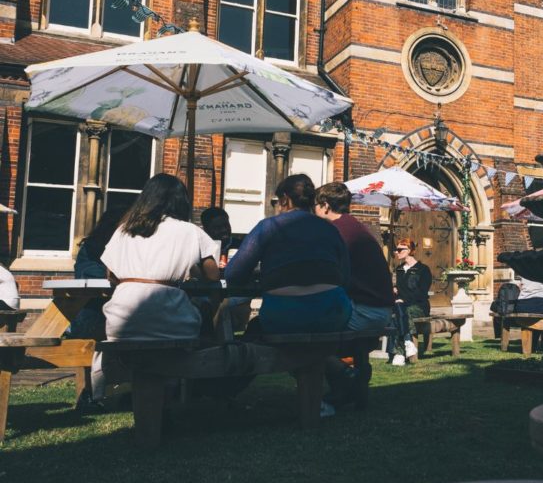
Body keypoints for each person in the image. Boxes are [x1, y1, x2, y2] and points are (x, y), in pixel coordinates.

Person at [91, 174, 221, 409]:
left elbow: (110, 275)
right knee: (205, 314)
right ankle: (196, 390)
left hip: (122, 322)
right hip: (170, 319)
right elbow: (213, 276)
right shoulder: (189, 231)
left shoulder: (123, 230)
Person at [225, 174, 353, 336]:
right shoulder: (330, 229)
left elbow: (234, 274)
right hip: (332, 313)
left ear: (285, 199)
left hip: (283, 314)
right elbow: (346, 277)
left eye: (278, 202)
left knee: (254, 331)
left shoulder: (269, 226)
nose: (278, 207)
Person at [314, 181, 394, 408]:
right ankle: (349, 385)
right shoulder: (355, 227)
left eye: (315, 207)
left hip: (364, 310)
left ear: (325, 205)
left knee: (302, 337)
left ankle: (344, 382)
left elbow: (327, 275)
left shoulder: (334, 231)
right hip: (379, 309)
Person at [67, 207, 126, 341]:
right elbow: (88, 274)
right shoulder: (91, 247)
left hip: (117, 318)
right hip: (93, 316)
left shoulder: (124, 247)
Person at [390, 237, 431, 366]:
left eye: (400, 249)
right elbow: (400, 289)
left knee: (403, 311)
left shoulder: (423, 269)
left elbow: (421, 293)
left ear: (409, 250)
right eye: (396, 250)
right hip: (401, 305)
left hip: (419, 306)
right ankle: (408, 342)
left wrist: (404, 299)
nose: (396, 252)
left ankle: (399, 353)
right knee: (396, 312)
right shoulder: (399, 270)